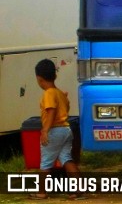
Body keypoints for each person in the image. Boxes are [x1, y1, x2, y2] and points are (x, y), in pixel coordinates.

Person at [30, 59, 84, 200]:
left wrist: (45, 130)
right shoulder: (60, 93)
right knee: (67, 159)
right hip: (66, 130)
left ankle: (41, 192)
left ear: (39, 79)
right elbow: (64, 109)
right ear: (55, 75)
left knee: (45, 163)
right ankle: (78, 189)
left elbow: (51, 111)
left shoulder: (49, 93)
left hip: (54, 131)